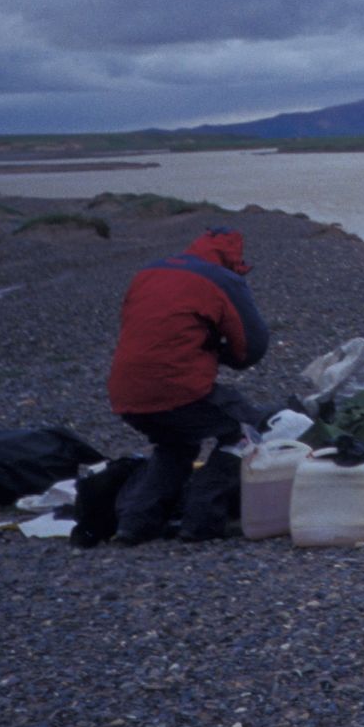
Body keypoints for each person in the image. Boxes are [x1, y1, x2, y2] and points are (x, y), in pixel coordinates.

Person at [105, 225, 271, 543]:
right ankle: (201, 521)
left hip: (125, 391)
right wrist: (222, 353)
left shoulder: (149, 273)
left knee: (175, 444)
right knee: (244, 430)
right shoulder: (222, 280)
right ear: (233, 259)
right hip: (176, 387)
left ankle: (134, 524)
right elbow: (252, 346)